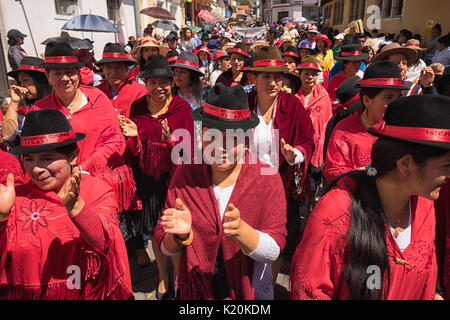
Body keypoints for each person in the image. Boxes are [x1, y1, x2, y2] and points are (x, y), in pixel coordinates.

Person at [291, 94, 450, 300]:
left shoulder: (425, 206)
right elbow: (309, 292)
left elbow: (426, 281)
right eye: (446, 166)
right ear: (405, 164)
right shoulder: (337, 212)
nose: (448, 177)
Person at [154, 83, 287, 300]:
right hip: (194, 292)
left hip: (249, 293)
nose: (220, 148)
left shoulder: (267, 179)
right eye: (212, 136)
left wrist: (243, 233)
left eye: (232, 139)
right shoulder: (186, 175)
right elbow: (164, 244)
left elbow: (274, 250)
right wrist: (179, 237)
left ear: (246, 141)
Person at [0, 109, 133, 299]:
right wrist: (2, 217)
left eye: (47, 158)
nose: (36, 169)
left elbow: (105, 242)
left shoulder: (96, 191)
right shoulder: (14, 198)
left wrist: (77, 208)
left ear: (73, 156)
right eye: (29, 159)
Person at [31, 41, 136, 216]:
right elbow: (33, 154)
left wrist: (83, 168)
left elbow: (115, 140)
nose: (65, 78)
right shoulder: (39, 110)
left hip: (99, 184)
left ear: (78, 74)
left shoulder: (97, 98)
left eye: (70, 72)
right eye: (57, 73)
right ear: (48, 77)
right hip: (58, 189)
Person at [119, 55, 194, 300]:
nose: (158, 87)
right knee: (154, 230)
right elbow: (133, 151)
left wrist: (170, 140)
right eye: (153, 82)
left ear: (172, 83)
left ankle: (180, 277)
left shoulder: (181, 108)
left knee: (174, 228)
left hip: (174, 180)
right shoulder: (138, 108)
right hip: (148, 181)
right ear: (145, 83)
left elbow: (189, 149)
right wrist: (132, 137)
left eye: (164, 82)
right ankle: (163, 277)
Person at [247, 46, 315, 290]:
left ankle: (267, 290)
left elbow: (308, 138)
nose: (273, 83)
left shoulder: (292, 106)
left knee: (274, 242)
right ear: (253, 78)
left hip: (281, 187)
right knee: (247, 240)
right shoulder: (243, 105)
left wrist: (295, 153)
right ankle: (246, 288)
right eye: (266, 76)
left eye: (278, 77)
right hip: (246, 188)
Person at [323, 61, 407, 183]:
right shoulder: (345, 131)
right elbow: (333, 173)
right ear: (367, 100)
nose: (395, 104)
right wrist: (362, 174)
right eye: (388, 98)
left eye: (398, 98)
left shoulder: (402, 128)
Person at [295, 56, 332, 195]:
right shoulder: (293, 95)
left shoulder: (323, 96)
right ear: (300, 75)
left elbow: (326, 124)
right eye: (306, 73)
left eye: (313, 74)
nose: (309, 77)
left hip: (317, 146)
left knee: (314, 182)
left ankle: (311, 204)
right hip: (296, 144)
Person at [2, 57, 53, 149]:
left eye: (25, 80)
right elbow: (7, 135)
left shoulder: (57, 104)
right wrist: (14, 101)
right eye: (20, 82)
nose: (21, 86)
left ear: (40, 80)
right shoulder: (24, 110)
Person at [95, 43, 147, 118]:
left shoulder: (140, 92)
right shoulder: (96, 92)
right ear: (103, 69)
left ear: (126, 69)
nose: (113, 72)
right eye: (109, 67)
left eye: (118, 67)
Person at [327, 44, 368, 108]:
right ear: (345, 64)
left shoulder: (364, 77)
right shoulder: (335, 80)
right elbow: (329, 102)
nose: (358, 65)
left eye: (359, 61)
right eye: (354, 62)